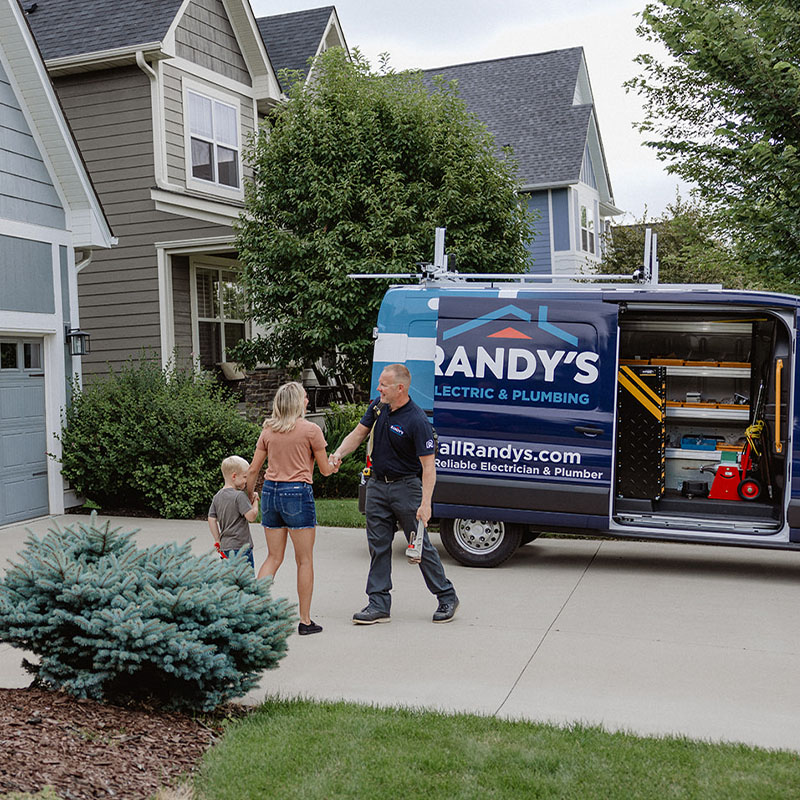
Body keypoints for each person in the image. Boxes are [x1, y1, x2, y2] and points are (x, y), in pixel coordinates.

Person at [330, 363, 459, 624]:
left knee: (419, 546)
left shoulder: (417, 420)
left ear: (400, 388)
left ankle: (446, 596)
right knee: (378, 546)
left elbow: (428, 468)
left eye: (384, 385)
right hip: (377, 486)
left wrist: (426, 504)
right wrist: (338, 454)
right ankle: (378, 604)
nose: (379, 389)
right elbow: (358, 433)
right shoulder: (378, 407)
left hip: (406, 489)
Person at [247, 381, 337, 636]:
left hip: (271, 494)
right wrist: (333, 465)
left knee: (273, 557)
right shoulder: (311, 430)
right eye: (305, 397)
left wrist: (250, 494)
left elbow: (254, 469)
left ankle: (254, 611)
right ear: (297, 402)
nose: (308, 401)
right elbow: (324, 470)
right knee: (304, 560)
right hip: (297, 493)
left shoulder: (268, 430)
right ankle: (305, 621)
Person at [208, 455, 259, 568]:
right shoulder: (239, 496)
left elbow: (211, 518)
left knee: (229, 578)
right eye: (245, 477)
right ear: (234, 476)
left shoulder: (217, 496)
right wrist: (255, 502)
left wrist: (217, 539)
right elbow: (251, 517)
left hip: (225, 547)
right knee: (245, 580)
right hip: (241, 547)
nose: (247, 481)